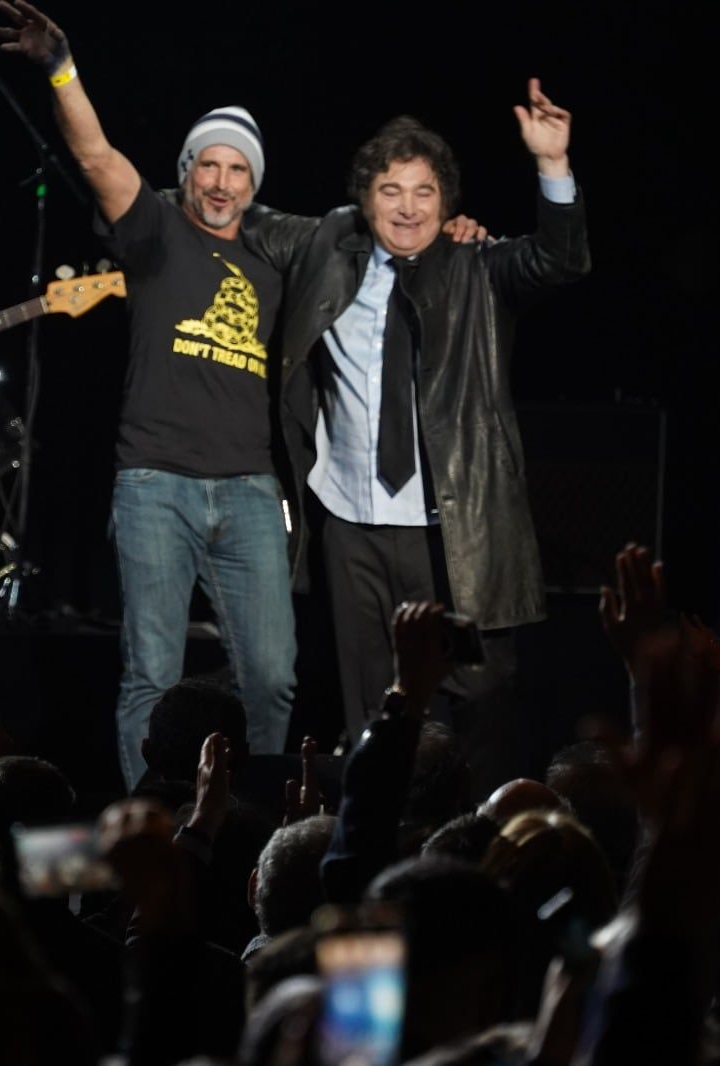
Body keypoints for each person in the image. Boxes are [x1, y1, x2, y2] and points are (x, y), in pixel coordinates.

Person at [0, 1, 298, 791]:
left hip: (251, 490)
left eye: (237, 169)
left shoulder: (274, 258)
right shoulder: (158, 227)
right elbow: (94, 155)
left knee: (271, 678)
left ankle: (250, 826)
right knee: (151, 678)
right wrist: (61, 68)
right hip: (155, 484)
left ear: (253, 182)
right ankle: (151, 829)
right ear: (188, 170)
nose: (222, 181)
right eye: (209, 164)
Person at [240, 93, 591, 749]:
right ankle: (377, 842)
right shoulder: (328, 252)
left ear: (447, 202)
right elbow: (235, 215)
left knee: (473, 704)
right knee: (371, 711)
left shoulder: (477, 267)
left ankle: (460, 845)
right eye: (391, 190)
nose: (407, 207)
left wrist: (553, 165)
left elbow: (559, 260)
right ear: (364, 200)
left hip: (451, 530)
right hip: (351, 527)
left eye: (424, 192)